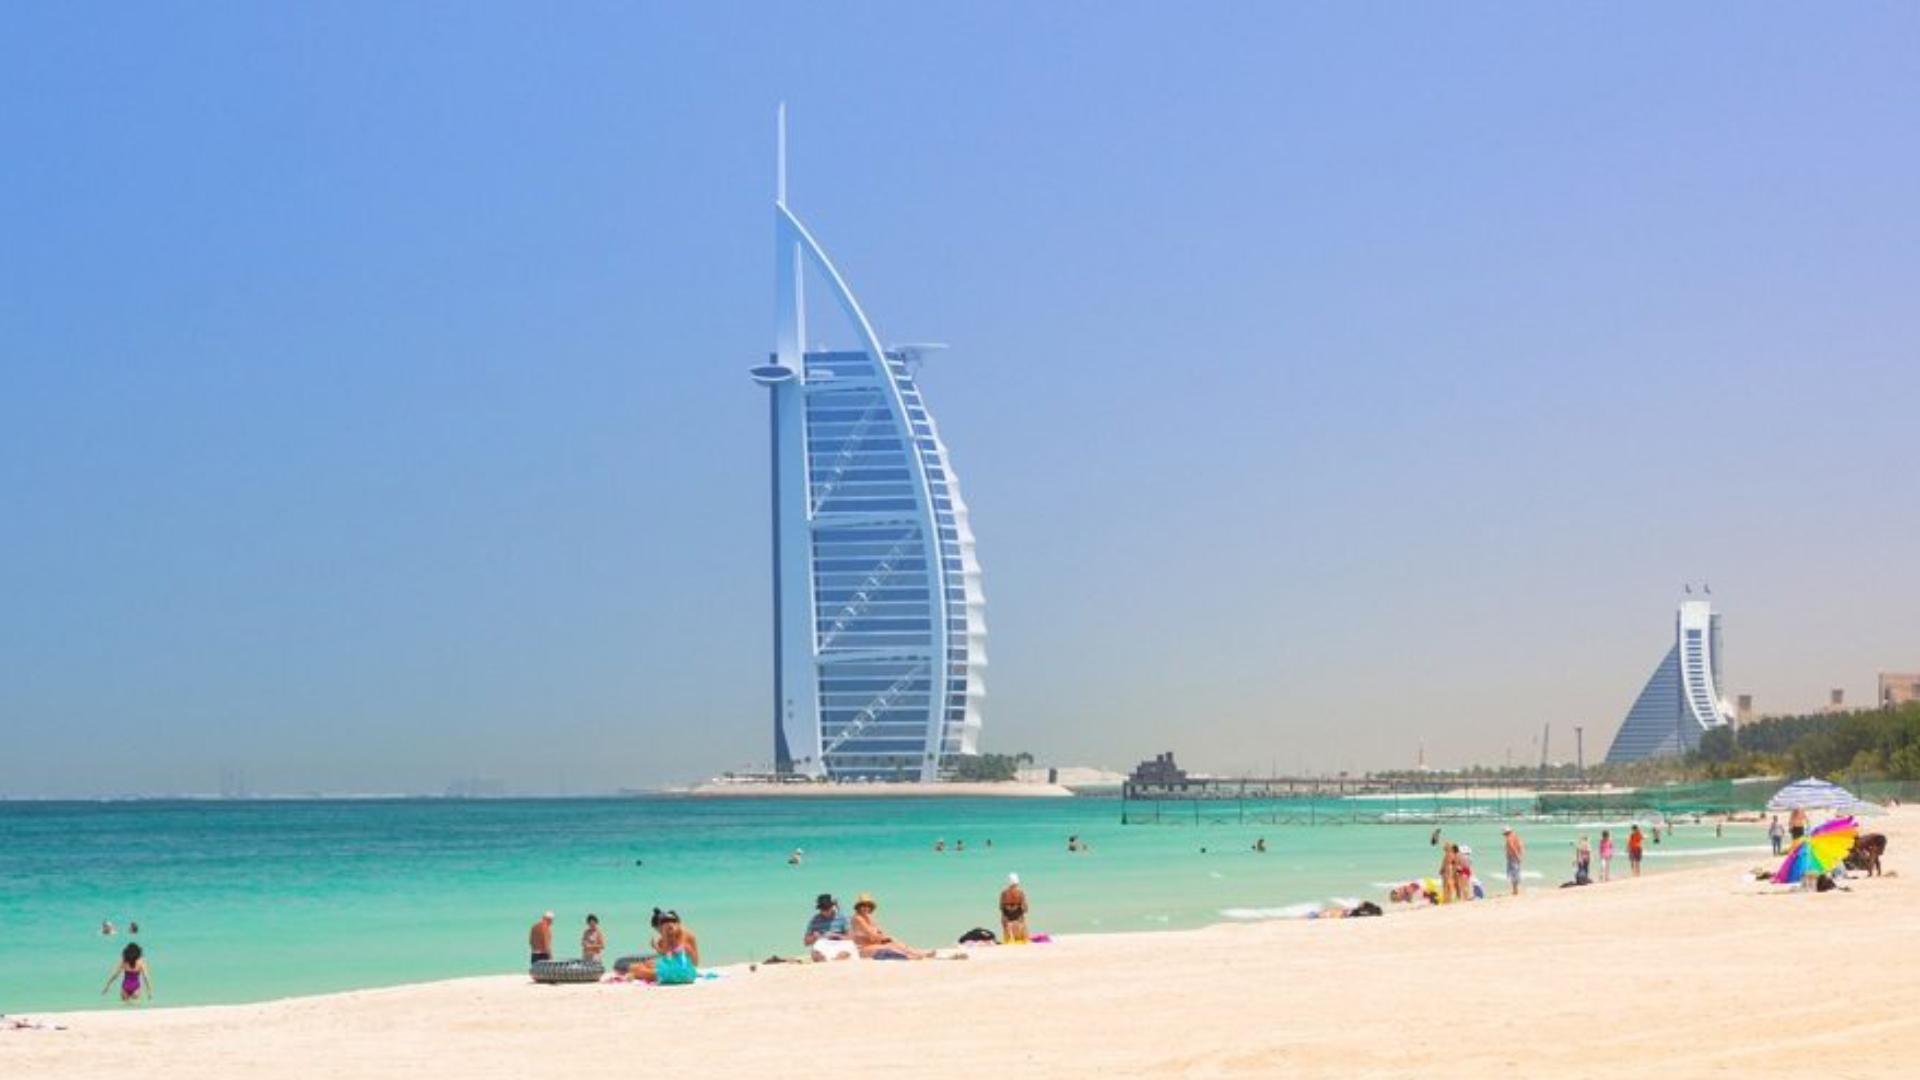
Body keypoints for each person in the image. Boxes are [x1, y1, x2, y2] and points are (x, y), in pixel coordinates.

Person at [626, 908, 702, 982]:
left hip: (680, 971)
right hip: (680, 968)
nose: (659, 932)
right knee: (641, 965)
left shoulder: (683, 935)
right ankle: (637, 973)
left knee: (638, 970)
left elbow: (674, 955)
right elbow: (669, 956)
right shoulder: (665, 938)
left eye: (658, 929)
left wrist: (657, 948)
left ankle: (636, 975)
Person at [849, 893, 930, 959]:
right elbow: (872, 935)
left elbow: (880, 932)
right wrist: (884, 938)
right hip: (862, 949)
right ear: (859, 907)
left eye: (868, 906)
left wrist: (886, 938)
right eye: (863, 905)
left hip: (872, 945)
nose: (866, 908)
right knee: (889, 946)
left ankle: (918, 953)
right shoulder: (857, 918)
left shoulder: (869, 918)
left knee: (893, 941)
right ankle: (910, 956)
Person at [999, 873, 1030, 943]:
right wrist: (1018, 907)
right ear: (1017, 882)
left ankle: (1008, 938)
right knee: (1022, 921)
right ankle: (1023, 938)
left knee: (1004, 918)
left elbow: (1001, 908)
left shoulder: (1004, 893)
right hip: (1019, 920)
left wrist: (1008, 909)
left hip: (1007, 920)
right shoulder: (1020, 893)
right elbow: (1025, 909)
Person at [1503, 827, 1524, 896]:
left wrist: (1517, 856)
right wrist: (1519, 855)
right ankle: (1515, 890)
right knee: (1516, 873)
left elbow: (1512, 847)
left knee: (1513, 873)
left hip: (1512, 858)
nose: (1504, 836)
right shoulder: (1515, 836)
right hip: (1514, 857)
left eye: (1505, 834)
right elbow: (1520, 846)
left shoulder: (1509, 838)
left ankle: (1515, 890)